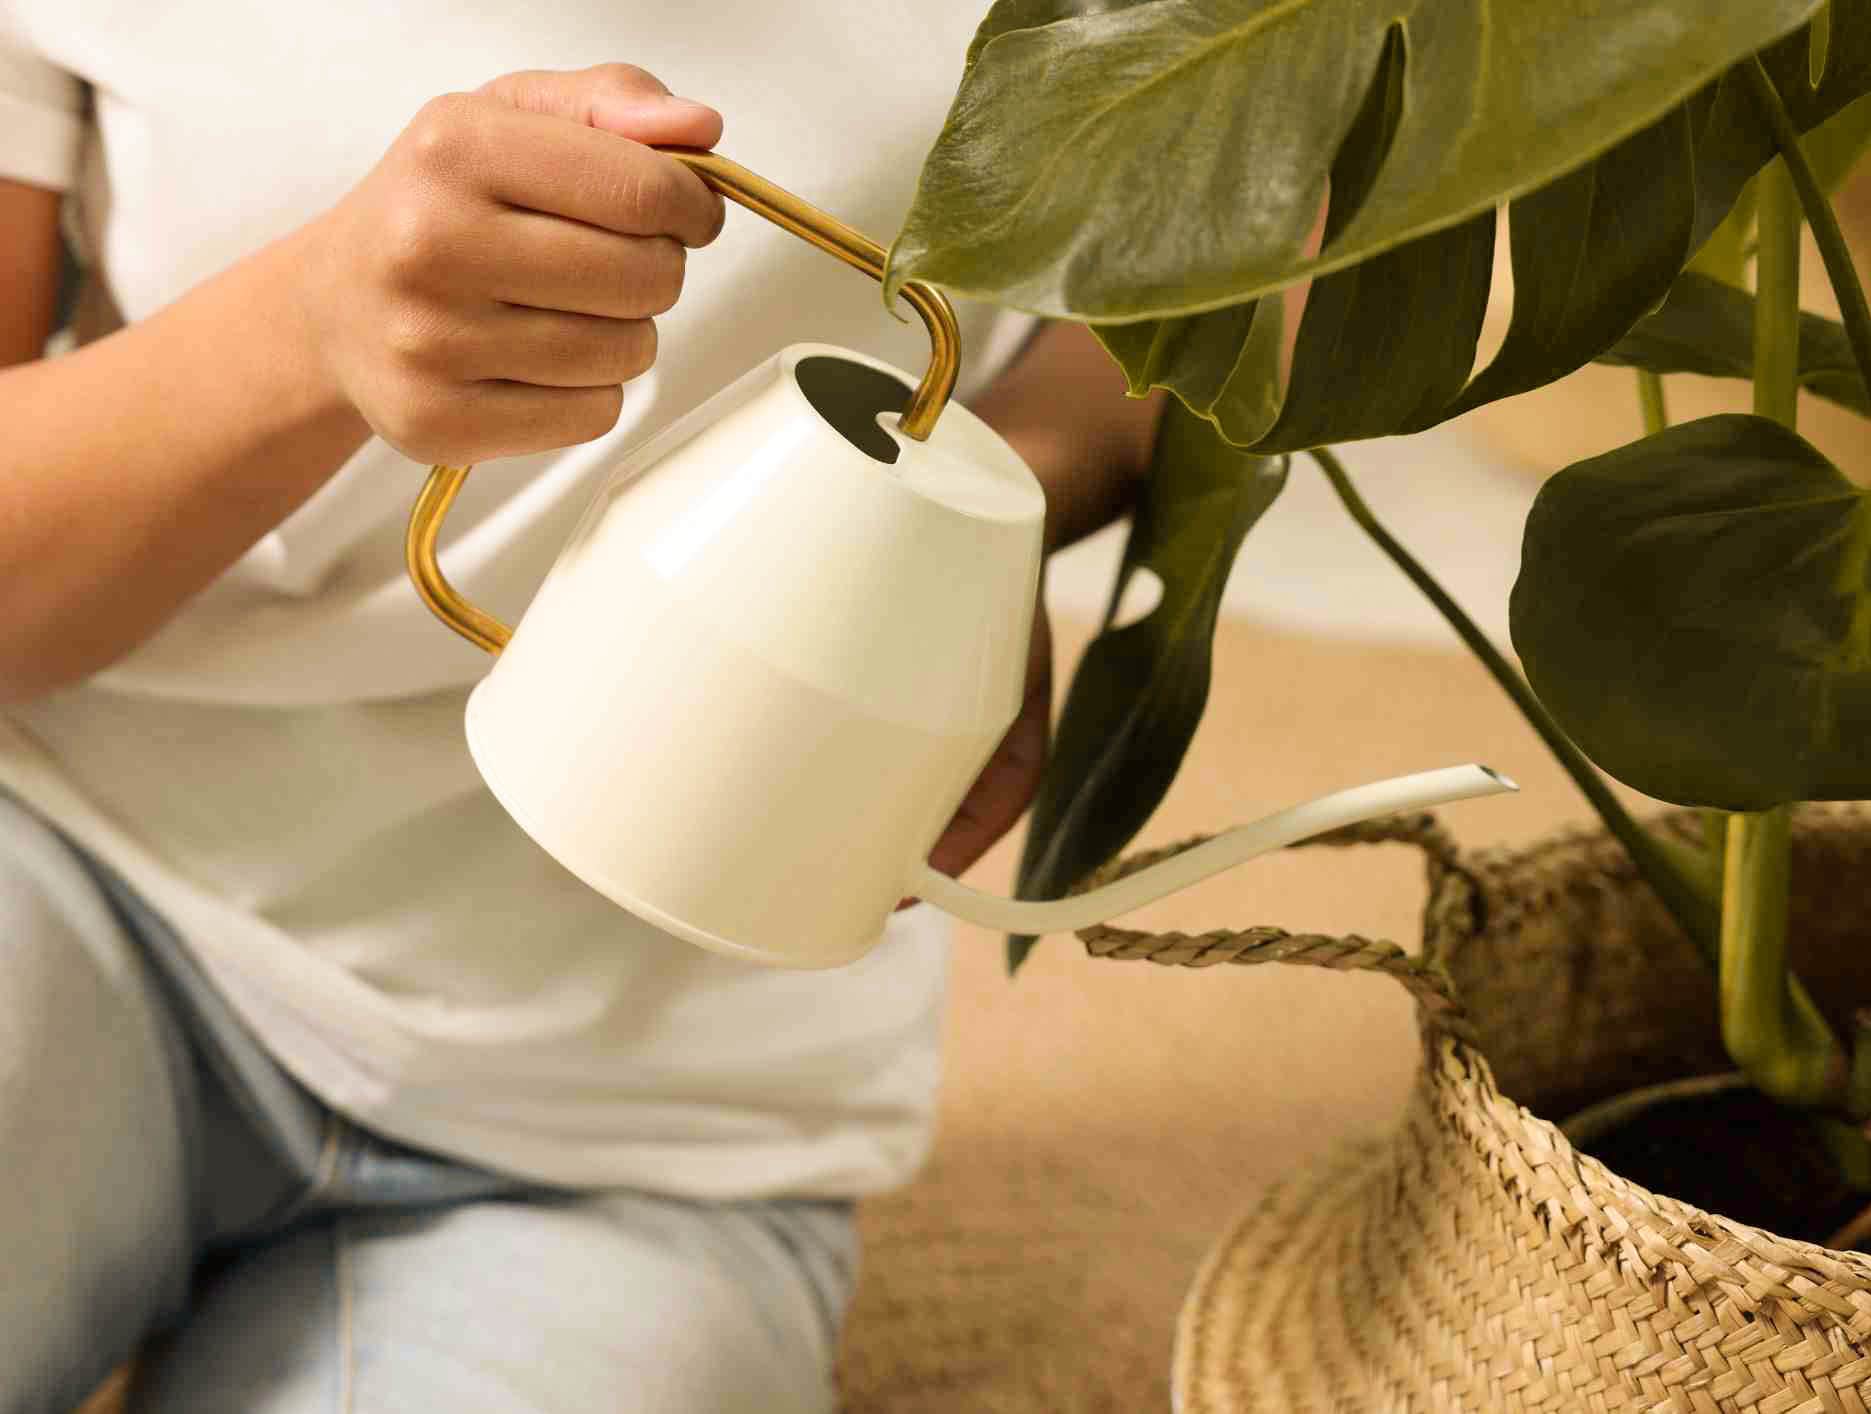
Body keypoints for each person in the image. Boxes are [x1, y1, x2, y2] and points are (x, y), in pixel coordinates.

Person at [0, 7, 1160, 1409]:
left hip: (645, 1107)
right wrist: (310, 329)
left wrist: (1008, 482)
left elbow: (1295, 221)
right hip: (72, 873)